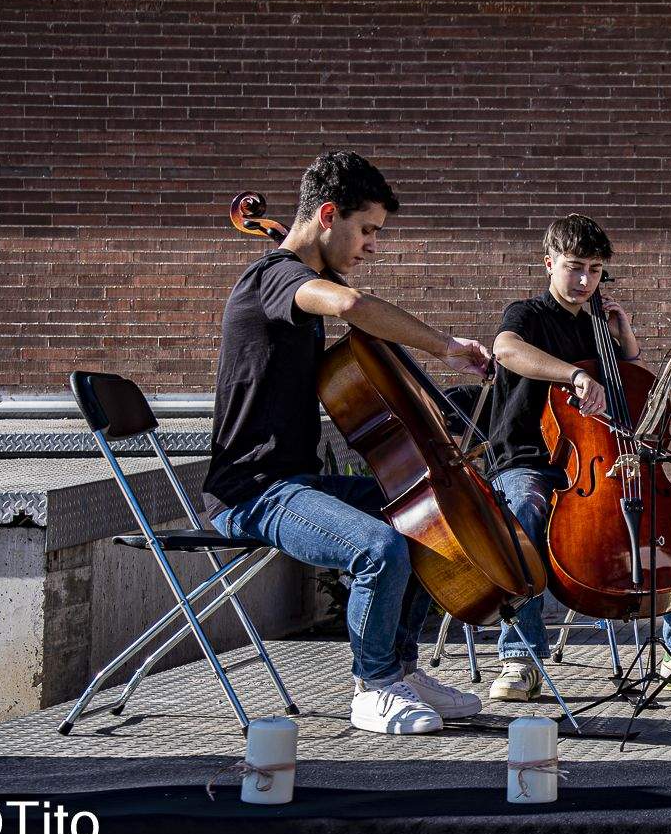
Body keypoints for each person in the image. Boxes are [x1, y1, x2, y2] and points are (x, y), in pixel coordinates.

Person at [203, 150, 490, 735]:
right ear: (328, 215)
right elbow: (352, 305)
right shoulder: (273, 279)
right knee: (378, 546)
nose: (372, 246)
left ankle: (403, 670)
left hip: (296, 483)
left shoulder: (303, 284)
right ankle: (373, 686)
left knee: (423, 521)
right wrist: (445, 346)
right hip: (251, 493)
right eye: (367, 230)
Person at [483, 213, 671, 702]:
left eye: (596, 270)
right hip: (527, 457)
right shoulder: (528, 315)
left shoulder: (599, 326)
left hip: (597, 463)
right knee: (524, 514)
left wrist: (626, 342)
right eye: (575, 267)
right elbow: (506, 351)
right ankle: (520, 658)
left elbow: (632, 398)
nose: (585, 281)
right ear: (549, 264)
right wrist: (572, 375)